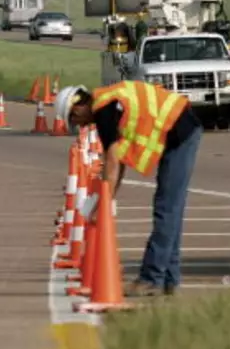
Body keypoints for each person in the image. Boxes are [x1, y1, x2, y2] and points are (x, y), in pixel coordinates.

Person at [54, 80, 202, 297]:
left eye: (75, 120)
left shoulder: (103, 110)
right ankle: (169, 279)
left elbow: (112, 162)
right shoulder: (107, 102)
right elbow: (119, 162)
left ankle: (151, 279)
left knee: (167, 208)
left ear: (77, 107)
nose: (81, 126)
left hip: (180, 130)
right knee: (171, 208)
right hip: (179, 126)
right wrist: (105, 199)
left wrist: (102, 204)